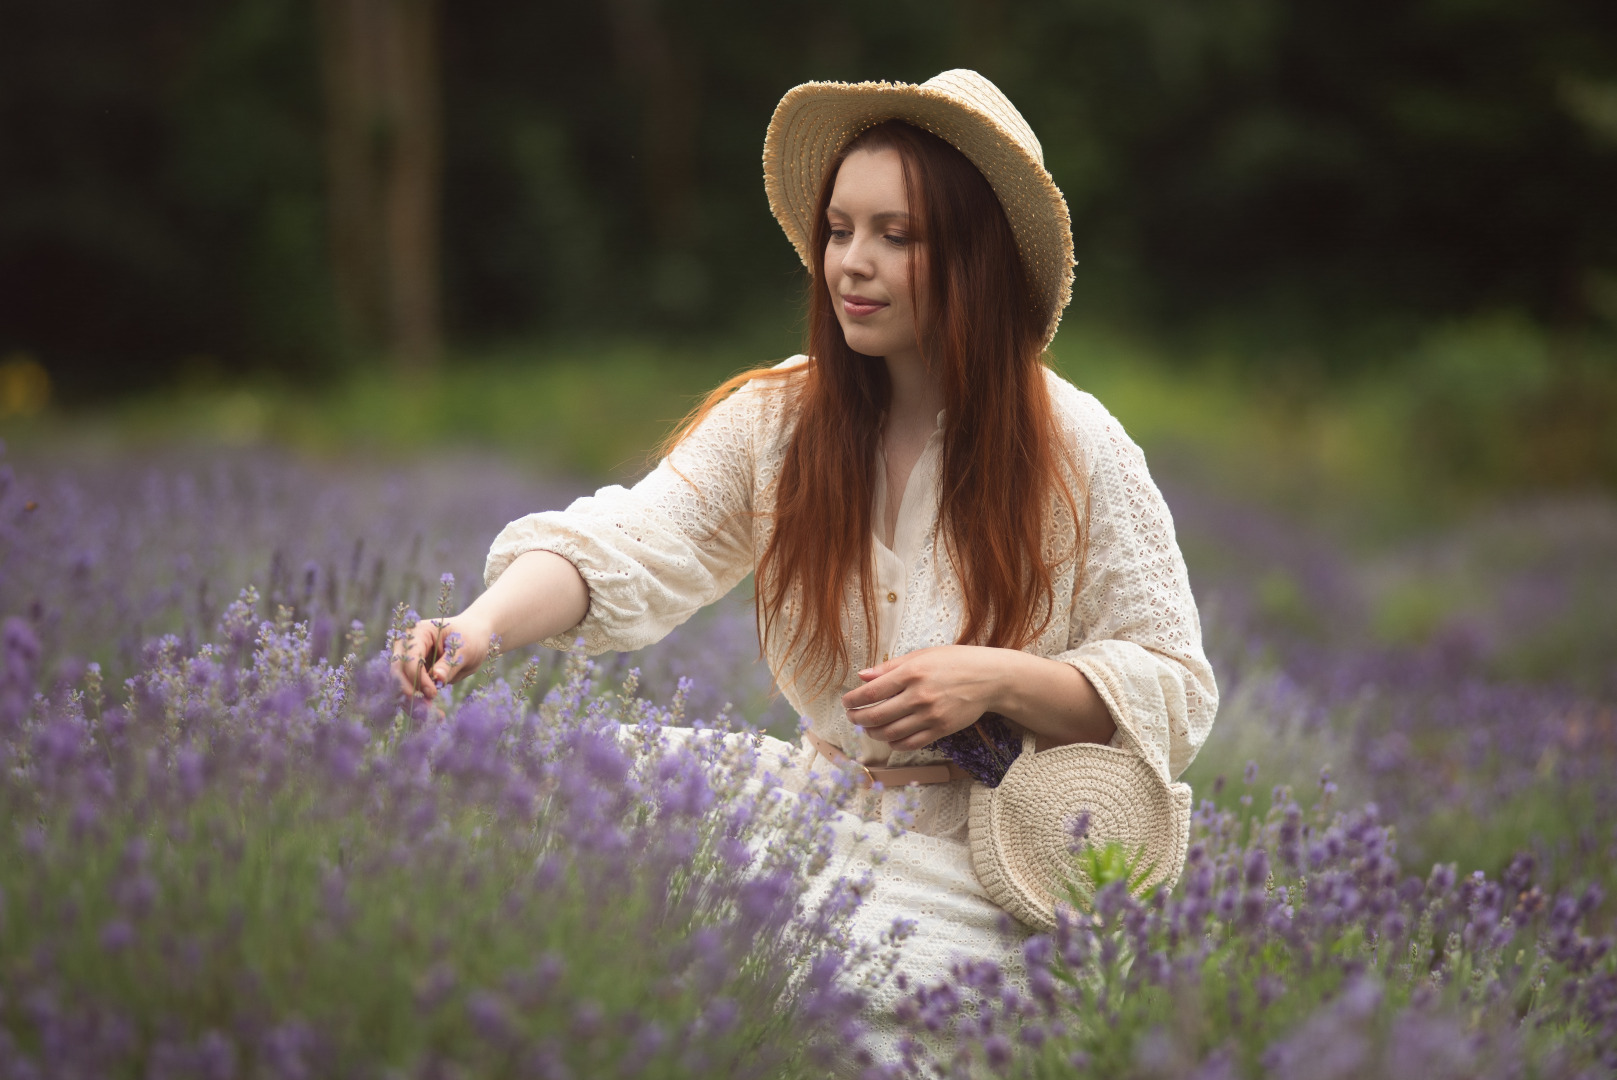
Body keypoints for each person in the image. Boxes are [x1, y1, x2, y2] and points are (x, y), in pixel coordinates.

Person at [395, 69, 1217, 1053]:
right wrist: (478, 625)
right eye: (839, 230)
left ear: (975, 259)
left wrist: (999, 680)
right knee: (558, 803)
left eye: (895, 236)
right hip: (814, 813)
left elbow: (1172, 687)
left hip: (986, 857)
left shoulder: (1077, 446)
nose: (851, 265)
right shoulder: (785, 420)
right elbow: (629, 540)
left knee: (863, 1015)